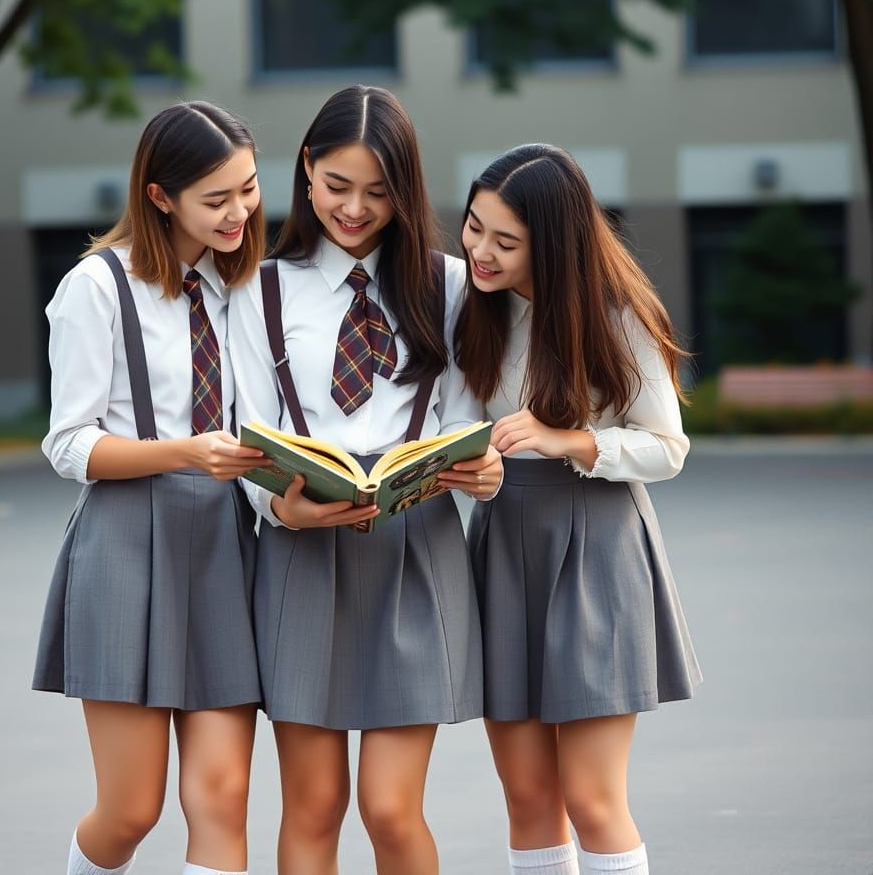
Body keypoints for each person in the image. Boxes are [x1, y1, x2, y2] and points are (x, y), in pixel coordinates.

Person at [227, 85, 502, 875]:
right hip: (300, 550)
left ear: (406, 191)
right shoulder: (257, 290)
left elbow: (466, 414)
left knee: (389, 807)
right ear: (307, 171)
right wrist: (280, 510)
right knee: (313, 806)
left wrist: (479, 470)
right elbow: (246, 426)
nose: (355, 209)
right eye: (339, 186)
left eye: (379, 192)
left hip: (415, 548)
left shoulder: (450, 285)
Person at [32, 101, 269, 875]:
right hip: (126, 544)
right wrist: (184, 453)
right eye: (216, 199)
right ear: (160, 196)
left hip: (223, 545)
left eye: (248, 189)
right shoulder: (95, 288)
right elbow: (68, 444)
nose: (238, 213)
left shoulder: (241, 286)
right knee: (132, 810)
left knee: (223, 795)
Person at [454, 144, 702, 875]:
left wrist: (567, 440)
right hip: (503, 539)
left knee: (592, 799)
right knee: (528, 796)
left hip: (594, 541)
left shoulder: (617, 316)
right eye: (474, 228)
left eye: (506, 241)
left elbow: (667, 447)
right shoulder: (477, 307)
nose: (481, 251)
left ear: (554, 244)